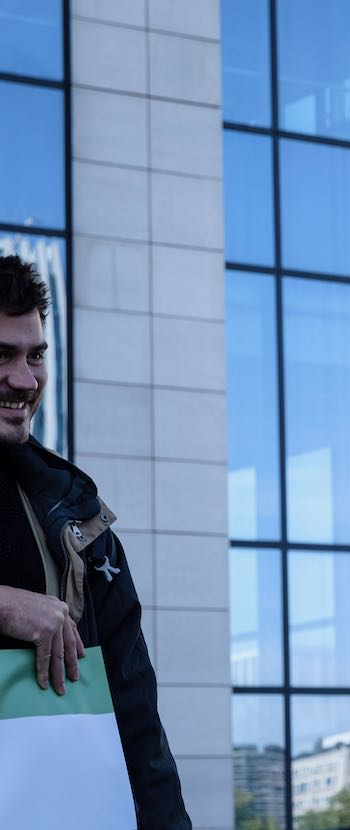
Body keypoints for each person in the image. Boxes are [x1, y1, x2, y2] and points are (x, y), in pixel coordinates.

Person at [0, 255, 190, 828]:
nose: (25, 380)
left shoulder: (78, 519)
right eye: (1, 356)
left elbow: (137, 725)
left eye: (35, 355)